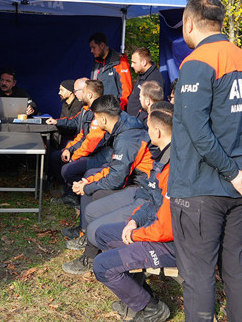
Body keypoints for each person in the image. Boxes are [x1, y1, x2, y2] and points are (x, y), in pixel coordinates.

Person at [169, 0, 242, 322]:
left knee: (198, 274)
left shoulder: (196, 62)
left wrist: (232, 172)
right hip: (239, 187)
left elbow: (196, 130)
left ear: (189, 23)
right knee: (235, 266)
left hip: (202, 187)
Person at [93, 102, 175, 322]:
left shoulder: (175, 167)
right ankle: (137, 292)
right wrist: (134, 221)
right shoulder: (164, 157)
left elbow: (167, 229)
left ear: (157, 132)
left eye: (148, 128)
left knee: (101, 265)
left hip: (172, 245)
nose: (146, 133)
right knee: (103, 234)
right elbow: (153, 199)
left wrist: (136, 235)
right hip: (154, 230)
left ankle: (152, 308)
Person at [62, 94, 154, 275]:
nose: (95, 122)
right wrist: (90, 181)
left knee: (94, 194)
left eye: (95, 118)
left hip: (144, 190)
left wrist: (88, 186)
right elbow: (115, 168)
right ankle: (87, 236)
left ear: (103, 118)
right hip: (136, 182)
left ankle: (89, 254)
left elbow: (117, 178)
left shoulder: (128, 137)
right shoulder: (124, 127)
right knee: (92, 187)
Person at [46, 79, 110, 207]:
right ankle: (70, 193)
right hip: (88, 150)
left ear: (90, 94)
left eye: (81, 91)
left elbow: (92, 142)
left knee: (67, 169)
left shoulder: (99, 112)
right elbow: (82, 135)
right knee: (55, 157)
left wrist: (74, 157)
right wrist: (68, 149)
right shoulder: (86, 109)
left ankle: (77, 196)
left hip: (99, 155)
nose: (76, 94)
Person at [89, 32, 133, 110]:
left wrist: (117, 111)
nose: (91, 51)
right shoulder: (96, 62)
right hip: (99, 109)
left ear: (102, 45)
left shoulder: (119, 61)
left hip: (113, 111)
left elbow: (126, 91)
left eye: (93, 47)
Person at [126, 47, 164, 116]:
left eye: (134, 62)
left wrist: (139, 120)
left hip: (140, 124)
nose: (132, 65)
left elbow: (152, 107)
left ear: (144, 62)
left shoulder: (154, 79)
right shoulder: (142, 75)